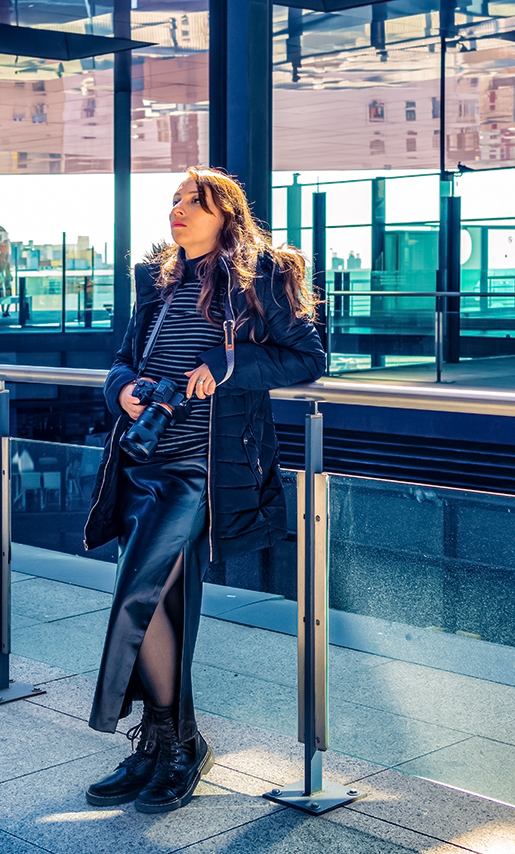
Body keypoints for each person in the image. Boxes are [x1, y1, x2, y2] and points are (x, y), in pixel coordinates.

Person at [82, 167, 326, 814]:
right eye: (174, 201)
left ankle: (176, 741)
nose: (178, 211)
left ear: (227, 215)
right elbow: (121, 360)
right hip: (140, 461)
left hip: (200, 473)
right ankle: (162, 746)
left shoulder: (259, 275)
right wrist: (125, 392)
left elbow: (309, 357)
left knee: (140, 593)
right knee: (159, 605)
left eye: (194, 202)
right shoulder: (156, 280)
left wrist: (227, 366)